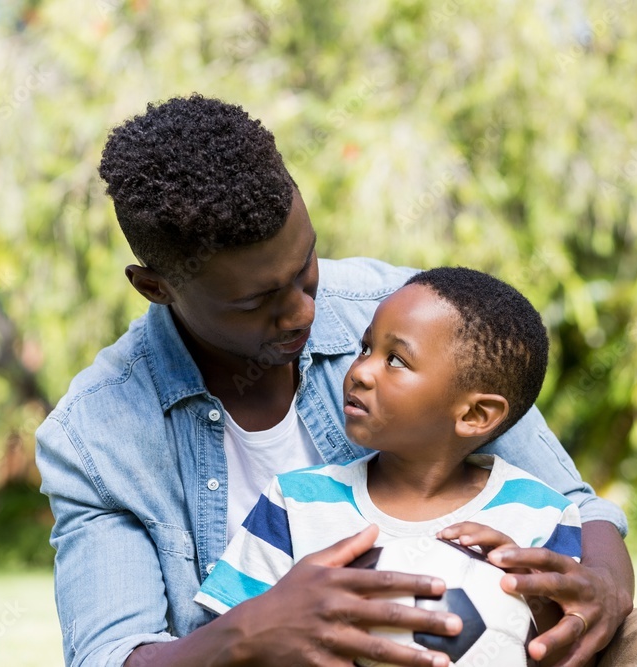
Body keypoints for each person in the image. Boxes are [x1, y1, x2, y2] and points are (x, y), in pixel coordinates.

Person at [35, 94, 637, 667]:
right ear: (156, 286)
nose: (304, 309)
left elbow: (575, 509)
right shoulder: (98, 433)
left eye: (306, 265)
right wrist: (254, 630)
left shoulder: (410, 314)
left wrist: (601, 585)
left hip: (511, 649)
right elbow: (110, 655)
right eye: (260, 300)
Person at [195, 267, 584, 657]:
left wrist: (536, 603)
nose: (360, 371)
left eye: (396, 360)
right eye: (366, 348)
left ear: (474, 415)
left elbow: (568, 650)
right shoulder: (294, 504)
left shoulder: (543, 517)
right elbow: (235, 640)